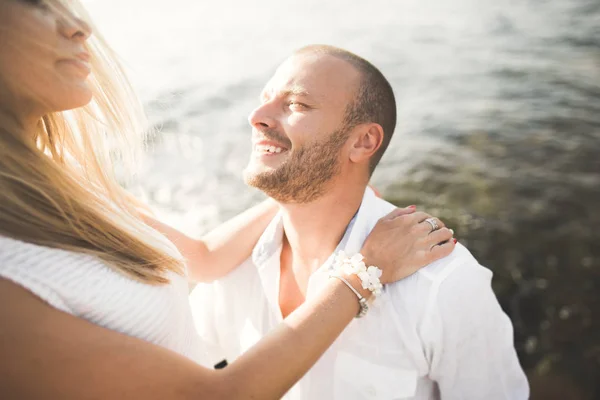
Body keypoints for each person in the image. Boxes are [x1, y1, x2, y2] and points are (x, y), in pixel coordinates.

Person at [0, 2, 457, 399]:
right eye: (36, 2)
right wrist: (365, 269)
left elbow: (203, 259)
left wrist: (311, 194)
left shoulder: (62, 182)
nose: (80, 26)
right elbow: (221, 395)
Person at [190, 45, 530, 399]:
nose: (256, 116)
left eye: (296, 105)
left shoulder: (442, 284)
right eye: (265, 99)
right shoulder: (231, 269)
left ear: (364, 141)